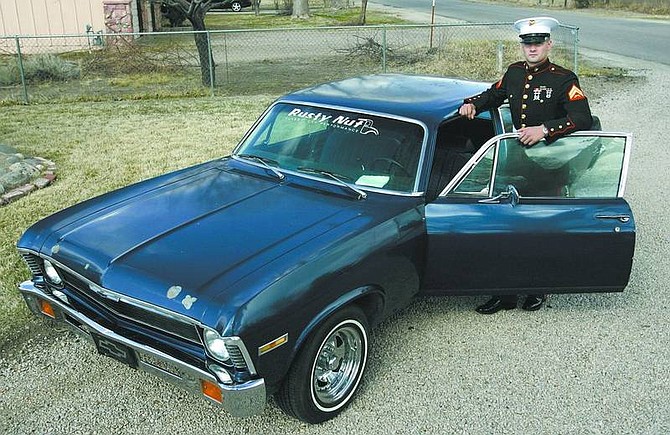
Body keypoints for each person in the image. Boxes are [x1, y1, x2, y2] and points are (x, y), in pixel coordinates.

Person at [458, 16, 593, 314]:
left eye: (538, 42)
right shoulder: (515, 72)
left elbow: (583, 117)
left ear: (549, 44)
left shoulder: (564, 78)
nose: (532, 48)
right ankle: (503, 293)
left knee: (541, 230)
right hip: (517, 163)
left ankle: (536, 288)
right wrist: (472, 103)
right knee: (507, 228)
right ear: (522, 46)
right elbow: (495, 94)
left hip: (550, 166)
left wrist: (544, 130)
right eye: (527, 43)